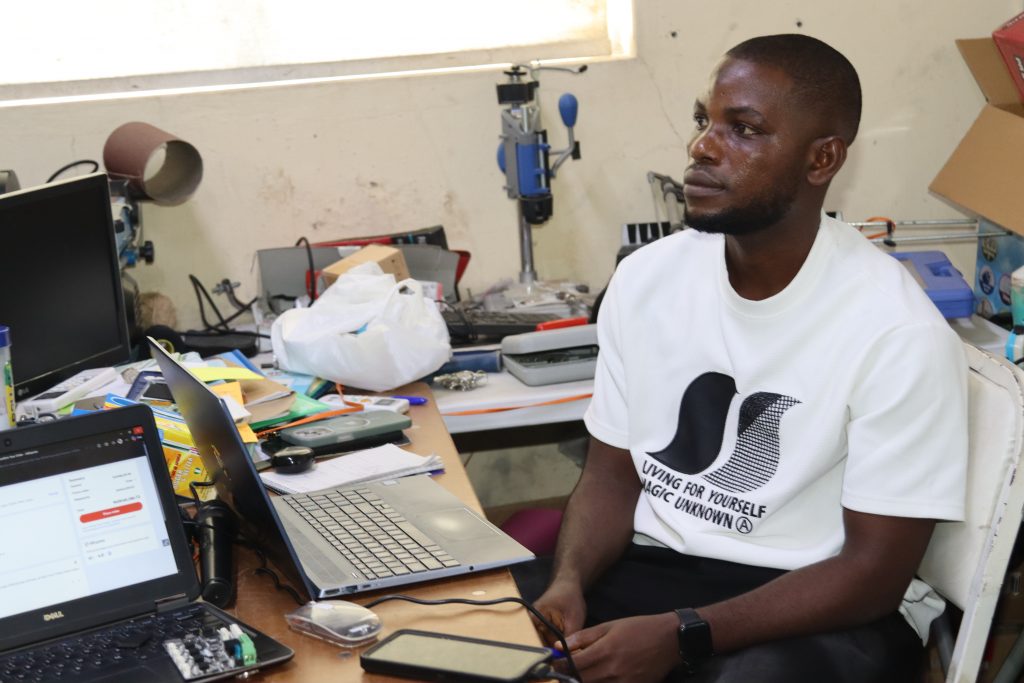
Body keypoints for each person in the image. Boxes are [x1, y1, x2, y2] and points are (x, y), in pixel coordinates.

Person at [522, 34, 968, 682]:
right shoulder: (646, 279)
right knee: (468, 615)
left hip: (818, 602)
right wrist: (568, 581)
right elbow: (612, 478)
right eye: (704, 120)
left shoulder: (897, 332)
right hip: (658, 568)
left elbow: (873, 574)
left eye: (744, 129)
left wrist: (682, 636)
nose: (701, 146)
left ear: (822, 159)